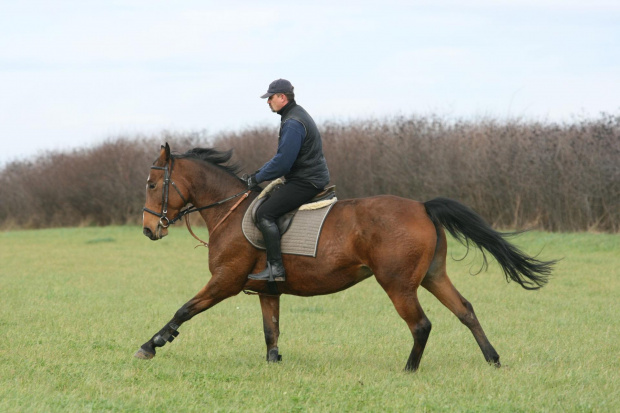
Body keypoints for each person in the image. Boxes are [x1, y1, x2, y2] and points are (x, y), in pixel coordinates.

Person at [245, 79, 330, 282]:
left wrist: (256, 177)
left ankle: (276, 269)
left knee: (265, 213)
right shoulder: (294, 115)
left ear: (282, 97)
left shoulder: (293, 122)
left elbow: (283, 163)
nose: (268, 102)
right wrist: (258, 174)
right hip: (307, 178)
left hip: (306, 181)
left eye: (270, 98)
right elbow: (282, 160)